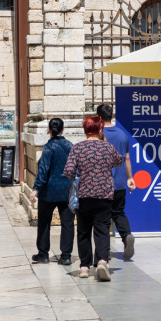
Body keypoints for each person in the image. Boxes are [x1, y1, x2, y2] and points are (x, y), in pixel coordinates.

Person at [63, 115, 124, 281]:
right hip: (104, 194)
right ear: (100, 129)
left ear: (85, 130)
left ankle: (84, 266)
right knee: (102, 229)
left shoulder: (77, 148)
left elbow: (68, 171)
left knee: (83, 231)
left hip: (84, 195)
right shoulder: (107, 147)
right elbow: (119, 161)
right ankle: (102, 261)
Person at [29, 118, 74, 265]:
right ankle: (66, 256)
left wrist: (36, 188)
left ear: (49, 129)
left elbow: (43, 170)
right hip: (67, 190)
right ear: (63, 130)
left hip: (49, 192)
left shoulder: (48, 147)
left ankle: (43, 254)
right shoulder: (70, 146)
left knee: (44, 222)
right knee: (67, 223)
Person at [97, 104, 136, 260]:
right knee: (119, 213)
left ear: (98, 117)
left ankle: (104, 251)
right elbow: (127, 158)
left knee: (103, 218)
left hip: (103, 183)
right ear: (112, 116)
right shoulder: (122, 134)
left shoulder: (98, 134)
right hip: (120, 182)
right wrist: (130, 178)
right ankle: (127, 236)